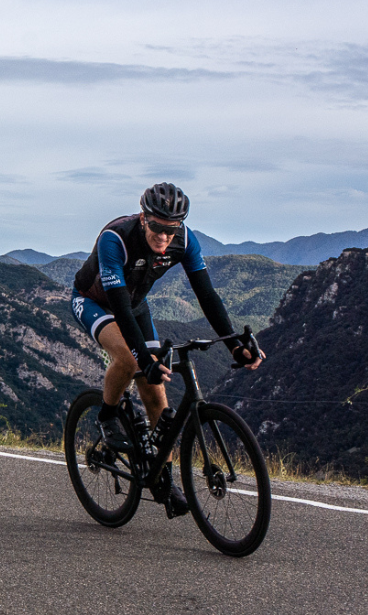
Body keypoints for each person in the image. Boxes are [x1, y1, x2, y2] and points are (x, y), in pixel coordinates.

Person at [69, 183, 265, 517]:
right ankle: (106, 415)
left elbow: (207, 295)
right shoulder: (115, 239)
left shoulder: (185, 241)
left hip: (136, 306)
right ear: (143, 219)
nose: (163, 237)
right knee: (130, 361)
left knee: (157, 394)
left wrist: (234, 344)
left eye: (171, 230)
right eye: (157, 227)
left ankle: (165, 478)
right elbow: (118, 304)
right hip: (94, 301)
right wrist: (144, 358)